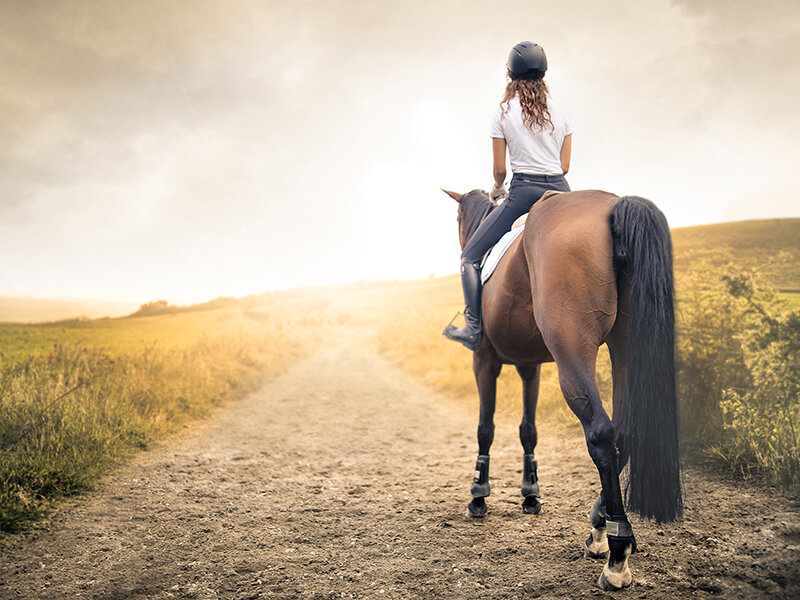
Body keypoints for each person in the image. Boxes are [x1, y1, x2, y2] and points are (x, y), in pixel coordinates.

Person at [444, 41, 573, 351]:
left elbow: (500, 171)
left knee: (470, 257)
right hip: (560, 191)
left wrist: (498, 188)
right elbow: (565, 166)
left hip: (523, 191)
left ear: (509, 75)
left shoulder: (502, 113)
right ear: (544, 75)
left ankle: (474, 329)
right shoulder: (561, 112)